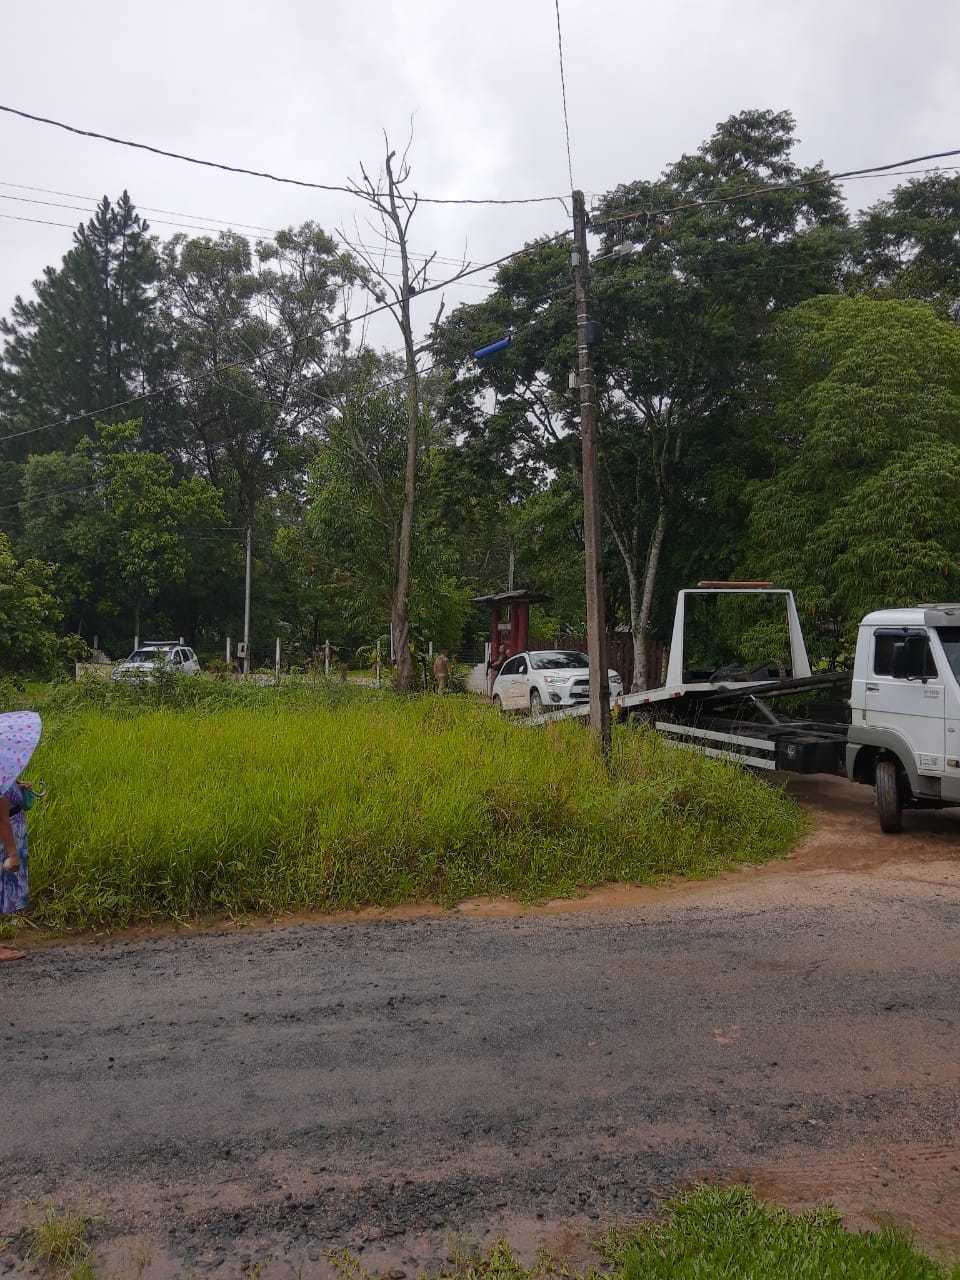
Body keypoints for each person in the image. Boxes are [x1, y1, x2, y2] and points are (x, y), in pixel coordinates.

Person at [0, 777, 30, 962]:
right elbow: (2, 821)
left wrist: (16, 789)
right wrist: (13, 854)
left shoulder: (4, 774)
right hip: (4, 845)